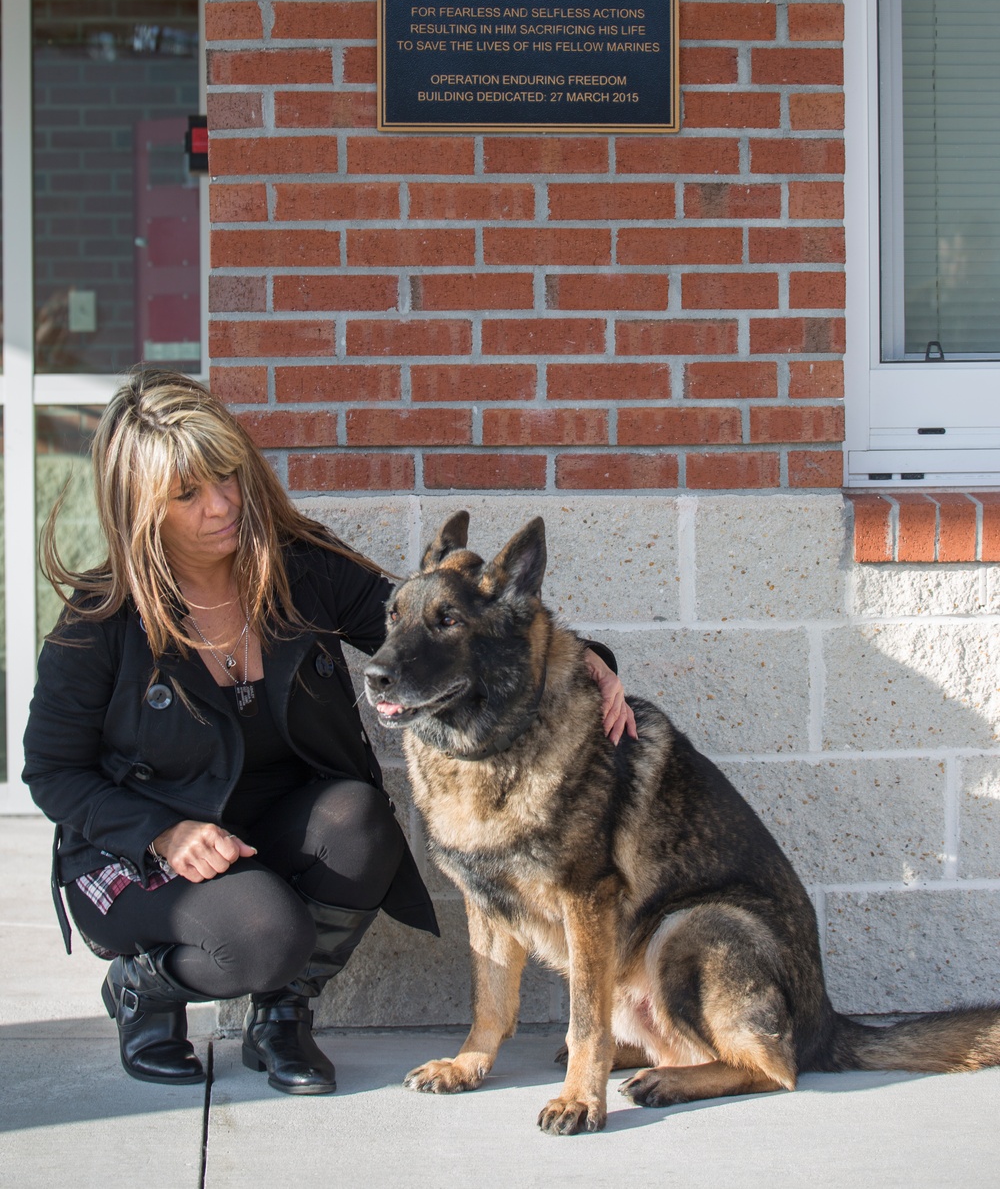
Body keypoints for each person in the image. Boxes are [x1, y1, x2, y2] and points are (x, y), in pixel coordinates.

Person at [22, 368, 634, 1095]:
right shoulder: (101, 622)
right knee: (262, 938)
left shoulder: (297, 568)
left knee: (361, 820)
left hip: (267, 831)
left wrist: (577, 657)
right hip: (140, 854)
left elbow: (431, 622)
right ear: (140, 507)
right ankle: (144, 989)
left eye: (227, 477)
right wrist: (164, 834)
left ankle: (282, 1015)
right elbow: (52, 772)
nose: (221, 506)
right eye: (188, 494)